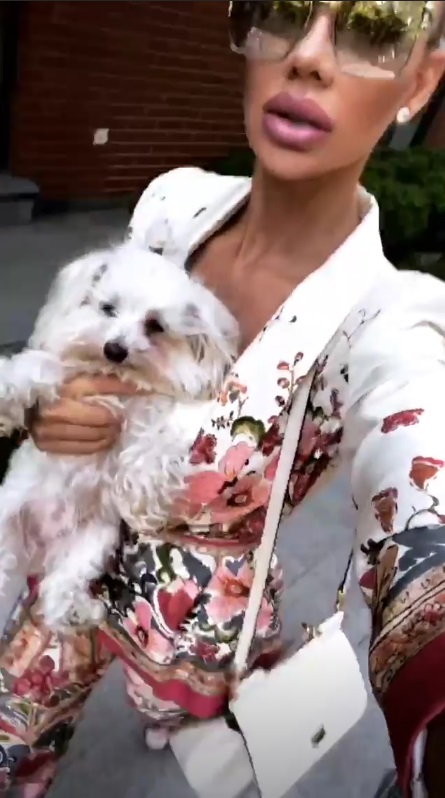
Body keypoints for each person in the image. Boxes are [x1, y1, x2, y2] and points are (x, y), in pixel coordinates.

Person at [1, 1, 445, 796]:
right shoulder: (173, 202)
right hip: (64, 564)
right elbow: (75, 335)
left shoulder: (391, 318)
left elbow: (419, 464)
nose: (309, 56)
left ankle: (175, 713)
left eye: (374, 26)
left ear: (420, 82)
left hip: (192, 620)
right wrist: (41, 414)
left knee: (175, 716)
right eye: (283, 10)